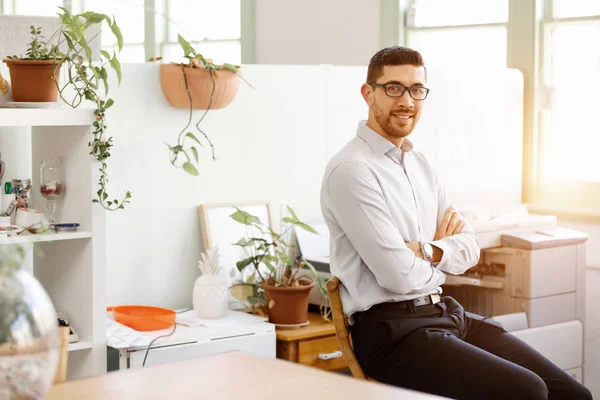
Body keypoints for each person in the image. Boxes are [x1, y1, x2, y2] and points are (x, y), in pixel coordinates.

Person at [320, 46, 592, 400]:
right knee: (528, 391)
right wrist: (443, 262)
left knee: (572, 393)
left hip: (445, 313)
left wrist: (427, 251)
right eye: (394, 88)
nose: (407, 100)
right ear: (367, 92)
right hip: (393, 333)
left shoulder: (419, 164)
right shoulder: (352, 170)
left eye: (417, 89)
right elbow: (398, 276)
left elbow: (470, 247)